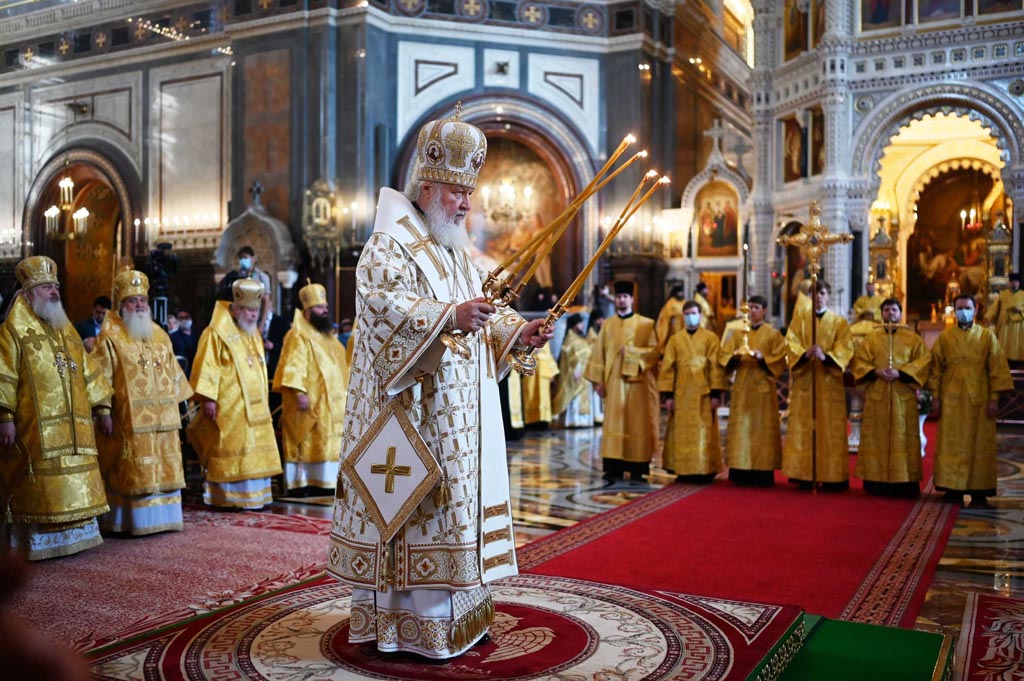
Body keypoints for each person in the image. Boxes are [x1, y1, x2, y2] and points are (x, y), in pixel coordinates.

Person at [325, 109, 553, 660]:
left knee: (457, 511)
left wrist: (518, 331)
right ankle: (409, 626)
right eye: (457, 192)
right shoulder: (389, 245)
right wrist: (449, 316)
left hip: (462, 420)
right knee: (420, 511)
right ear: (427, 188)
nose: (466, 204)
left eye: (469, 192)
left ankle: (462, 619)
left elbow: (482, 313)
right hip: (413, 418)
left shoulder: (455, 251)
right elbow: (381, 312)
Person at [0, 256, 113, 559]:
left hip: (78, 428)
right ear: (27, 294)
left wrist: (103, 408)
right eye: (45, 287)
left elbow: (89, 372)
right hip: (34, 427)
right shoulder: (12, 330)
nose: (53, 292)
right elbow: (4, 374)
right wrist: (4, 416)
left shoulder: (68, 330)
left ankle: (80, 533)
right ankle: (38, 540)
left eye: (55, 286)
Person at [92, 270, 194, 534]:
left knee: (166, 464)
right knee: (134, 468)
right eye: (132, 300)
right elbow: (100, 375)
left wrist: (182, 404)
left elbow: (173, 372)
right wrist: (104, 410)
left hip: (165, 418)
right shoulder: (110, 336)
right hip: (129, 419)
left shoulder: (159, 334)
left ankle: (165, 519)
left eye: (142, 300)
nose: (139, 305)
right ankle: (132, 522)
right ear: (121, 305)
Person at [187, 279, 282, 509]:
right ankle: (229, 497)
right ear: (236, 308)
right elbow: (208, 365)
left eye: (256, 311)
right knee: (230, 444)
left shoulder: (253, 333)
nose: (253, 315)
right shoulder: (216, 333)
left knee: (255, 447)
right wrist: (209, 398)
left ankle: (256, 497)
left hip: (256, 407)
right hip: (229, 405)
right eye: (248, 310)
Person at [928, 294, 1013, 508]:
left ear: (975, 310)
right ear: (954, 310)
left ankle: (979, 491)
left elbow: (997, 368)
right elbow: (935, 369)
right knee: (952, 442)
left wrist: (994, 399)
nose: (963, 312)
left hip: (980, 398)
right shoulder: (945, 338)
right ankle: (952, 487)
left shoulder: (987, 336)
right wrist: (935, 398)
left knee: (979, 442)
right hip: (951, 398)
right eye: (959, 308)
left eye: (967, 307)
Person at [272, 280, 349, 492]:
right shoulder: (297, 334)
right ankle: (304, 481)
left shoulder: (328, 336)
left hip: (330, 403)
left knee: (328, 441)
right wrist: (299, 392)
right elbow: (293, 365)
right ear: (307, 311)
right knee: (308, 441)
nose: (325, 311)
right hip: (309, 400)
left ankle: (327, 481)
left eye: (325, 307)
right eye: (319, 307)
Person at [850, 298, 931, 496]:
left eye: (894, 310)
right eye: (886, 310)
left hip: (903, 397)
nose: (890, 313)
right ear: (882, 313)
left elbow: (924, 361)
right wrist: (876, 371)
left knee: (903, 438)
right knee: (876, 438)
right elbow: (859, 362)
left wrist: (901, 373)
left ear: (900, 313)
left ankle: (904, 483)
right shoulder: (871, 338)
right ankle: (875, 482)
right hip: (878, 396)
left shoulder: (912, 339)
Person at [782, 280, 854, 490]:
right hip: (807, 381)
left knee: (830, 429)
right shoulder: (800, 321)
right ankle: (805, 474)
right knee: (805, 428)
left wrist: (826, 357)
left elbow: (846, 347)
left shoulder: (839, 322)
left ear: (828, 296)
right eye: (814, 293)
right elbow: (790, 343)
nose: (818, 297)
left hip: (829, 382)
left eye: (822, 293)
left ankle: (832, 476)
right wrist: (805, 354)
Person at [585, 280, 659, 481]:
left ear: (632, 299)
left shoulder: (646, 324)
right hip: (613, 382)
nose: (621, 300)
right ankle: (613, 466)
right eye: (618, 297)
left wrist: (633, 353)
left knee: (637, 423)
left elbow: (654, 352)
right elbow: (598, 353)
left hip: (638, 383)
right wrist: (598, 382)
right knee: (614, 423)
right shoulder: (608, 325)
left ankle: (637, 467)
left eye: (625, 297)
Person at [719, 295, 788, 486]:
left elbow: (780, 359)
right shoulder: (738, 334)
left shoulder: (773, 334)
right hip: (742, 387)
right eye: (750, 307)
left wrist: (762, 358)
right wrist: (734, 357)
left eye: (756, 307)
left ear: (764, 310)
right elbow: (724, 356)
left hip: (762, 389)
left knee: (761, 431)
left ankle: (761, 471)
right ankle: (739, 470)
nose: (752, 311)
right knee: (741, 429)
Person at [659, 299, 726, 483]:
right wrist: (668, 396)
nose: (690, 317)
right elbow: (667, 369)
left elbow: (715, 367)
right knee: (681, 433)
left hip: (703, 393)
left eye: (693, 314)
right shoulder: (675, 340)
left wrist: (715, 394)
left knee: (703, 432)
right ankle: (682, 469)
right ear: (683, 316)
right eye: (687, 314)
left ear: (700, 315)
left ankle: (704, 468)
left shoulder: (711, 338)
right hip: (681, 393)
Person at [217, 245, 273, 341]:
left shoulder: (262, 277)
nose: (243, 260)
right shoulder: (236, 276)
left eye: (245, 257)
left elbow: (266, 302)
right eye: (241, 258)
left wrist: (262, 325)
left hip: (255, 318)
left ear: (254, 258)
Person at [553, 313, 593, 428]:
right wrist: (577, 370)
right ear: (574, 325)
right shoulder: (571, 340)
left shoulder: (579, 339)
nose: (583, 325)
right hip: (575, 374)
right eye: (580, 323)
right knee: (575, 398)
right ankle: (574, 420)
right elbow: (574, 359)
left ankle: (582, 421)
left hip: (585, 374)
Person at [984, 272, 1024, 363]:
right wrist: (988, 317)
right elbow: (994, 307)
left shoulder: (1023, 295)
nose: (1014, 283)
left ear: (1019, 283)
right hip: (1005, 324)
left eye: (1016, 281)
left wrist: (1020, 310)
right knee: (1004, 344)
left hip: (1019, 326)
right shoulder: (1002, 295)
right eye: (1012, 281)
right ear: (1009, 283)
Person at [521, 343, 559, 427]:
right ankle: (531, 421)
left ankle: (544, 420)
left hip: (543, 372)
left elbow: (548, 355)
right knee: (530, 394)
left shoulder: (545, 341)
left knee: (544, 397)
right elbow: (522, 353)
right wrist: (533, 351)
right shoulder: (529, 339)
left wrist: (552, 372)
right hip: (531, 371)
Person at [655, 284, 686, 354]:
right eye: (679, 292)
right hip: (674, 325)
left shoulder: (684, 302)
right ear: (676, 293)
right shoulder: (671, 302)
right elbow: (665, 314)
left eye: (682, 292)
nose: (681, 294)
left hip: (683, 324)